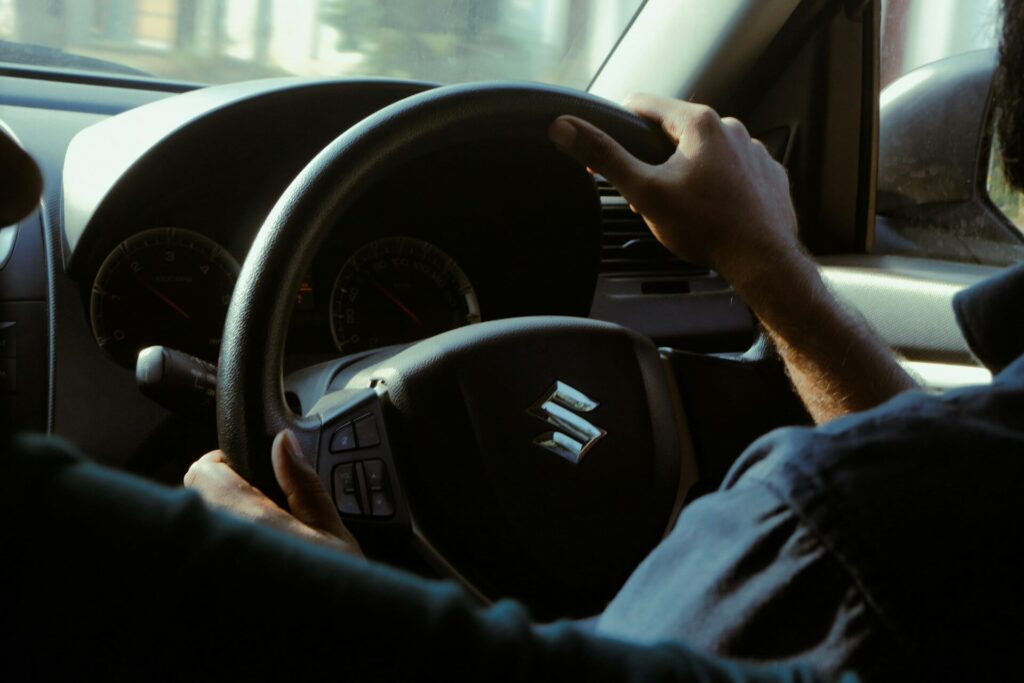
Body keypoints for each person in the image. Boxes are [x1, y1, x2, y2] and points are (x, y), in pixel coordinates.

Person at [5, 1, 1024, 679]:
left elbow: (900, 516)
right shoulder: (926, 508)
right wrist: (772, 271)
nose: (19, 187)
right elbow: (951, 524)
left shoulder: (828, 530)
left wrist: (313, 594)